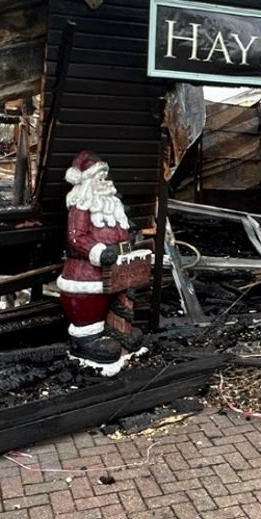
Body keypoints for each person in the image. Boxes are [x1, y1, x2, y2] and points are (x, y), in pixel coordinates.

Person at [58, 150, 152, 372]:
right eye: (99, 178)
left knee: (118, 301)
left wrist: (129, 247)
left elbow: (123, 236)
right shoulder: (81, 206)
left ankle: (118, 331)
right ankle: (87, 339)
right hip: (87, 275)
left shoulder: (112, 205)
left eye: (105, 177)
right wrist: (99, 252)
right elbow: (75, 238)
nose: (105, 182)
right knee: (89, 306)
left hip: (116, 272)